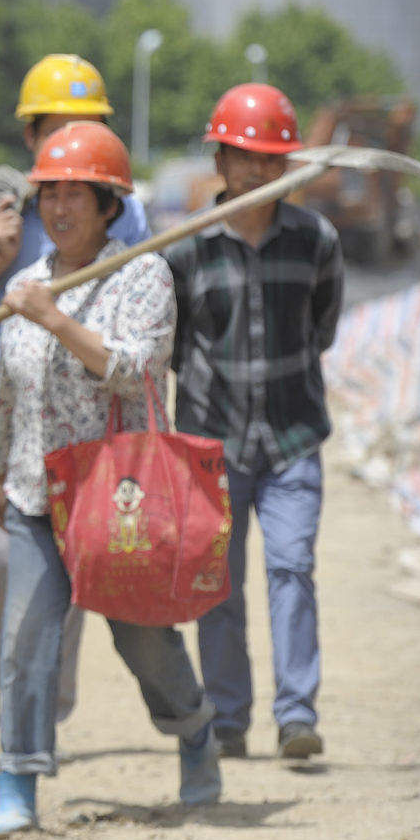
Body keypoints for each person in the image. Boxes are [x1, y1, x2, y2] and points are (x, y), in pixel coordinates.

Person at [0, 121, 219, 837]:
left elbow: (135, 368)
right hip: (32, 493)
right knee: (25, 637)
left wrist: (55, 319)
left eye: (77, 193)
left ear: (110, 203)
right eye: (50, 192)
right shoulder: (24, 286)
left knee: (142, 641)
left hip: (120, 499)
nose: (60, 207)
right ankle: (17, 783)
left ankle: (196, 731)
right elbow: (10, 391)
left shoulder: (143, 272)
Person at [0, 54, 152, 743]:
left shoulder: (128, 214)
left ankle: (40, 715)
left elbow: (133, 320)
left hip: (89, 411)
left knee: (73, 565)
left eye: (89, 127)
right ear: (30, 137)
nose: (75, 143)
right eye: (59, 128)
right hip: (10, 398)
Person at [163, 83, 344, 760]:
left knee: (292, 568)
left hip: (294, 438)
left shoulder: (317, 240)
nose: (258, 172)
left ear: (288, 165)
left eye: (271, 159)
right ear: (220, 160)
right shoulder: (185, 248)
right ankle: (230, 718)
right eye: (244, 157)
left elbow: (322, 323)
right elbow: (172, 346)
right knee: (220, 585)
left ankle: (297, 715)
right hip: (211, 444)